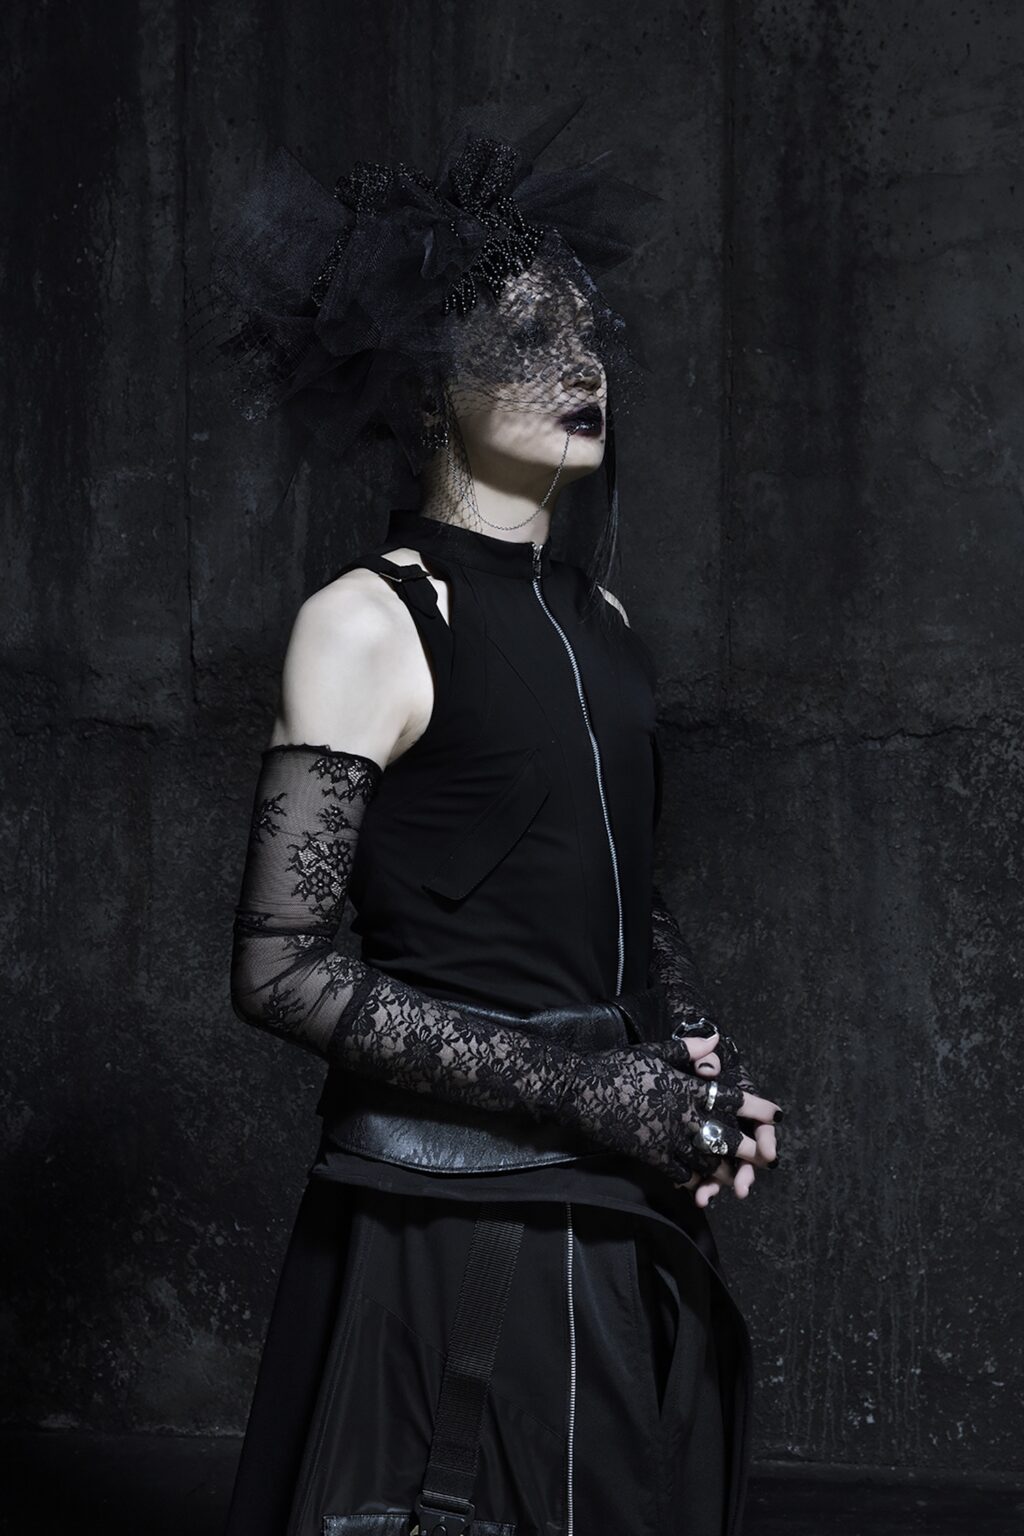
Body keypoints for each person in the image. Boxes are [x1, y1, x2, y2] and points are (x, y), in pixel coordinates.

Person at [206, 106, 783, 1536]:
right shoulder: (366, 621)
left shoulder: (604, 618)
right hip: (454, 1224)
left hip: (613, 1196)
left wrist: (687, 1055)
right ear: (426, 384)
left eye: (590, 333)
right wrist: (595, 1092)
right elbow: (281, 968)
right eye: (527, 335)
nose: (582, 365)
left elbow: (601, 878)